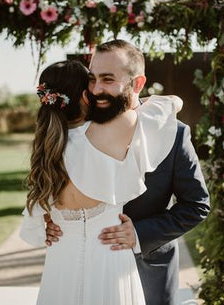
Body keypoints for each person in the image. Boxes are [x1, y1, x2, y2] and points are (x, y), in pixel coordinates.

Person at [44, 40, 211, 305]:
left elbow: (197, 205)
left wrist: (140, 234)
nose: (97, 89)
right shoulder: (76, 126)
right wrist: (53, 219)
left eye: (108, 79)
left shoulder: (174, 133)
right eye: (92, 79)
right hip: (88, 271)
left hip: (149, 270)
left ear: (137, 83)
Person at [20, 59, 182, 305]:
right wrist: (142, 103)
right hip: (109, 257)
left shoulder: (45, 146)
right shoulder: (113, 130)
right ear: (86, 96)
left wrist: (48, 223)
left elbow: (33, 226)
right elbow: (171, 103)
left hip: (62, 259)